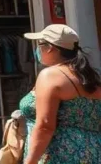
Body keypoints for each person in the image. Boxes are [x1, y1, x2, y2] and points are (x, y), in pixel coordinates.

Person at [21, 24, 101, 164]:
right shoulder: (88, 77)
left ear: (50, 48)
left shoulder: (50, 76)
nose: (38, 50)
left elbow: (45, 126)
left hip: (59, 155)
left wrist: (30, 161)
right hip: (93, 153)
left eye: (40, 45)